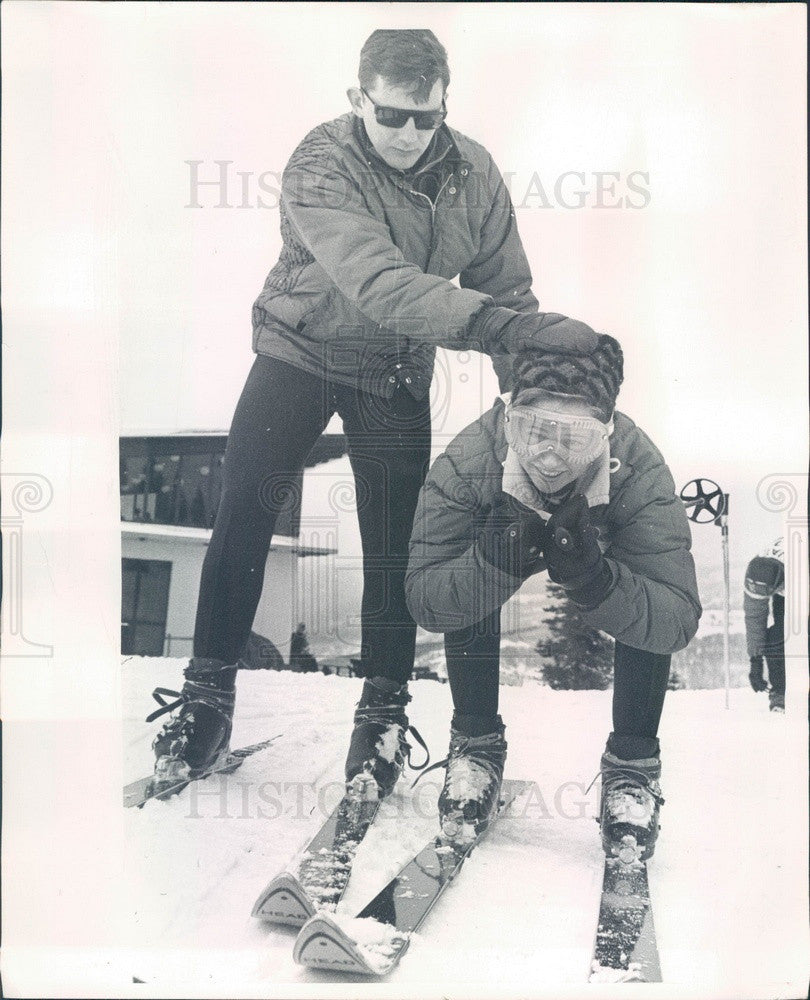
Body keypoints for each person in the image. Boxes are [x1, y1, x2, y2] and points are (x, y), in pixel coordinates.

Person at [146, 29, 598, 792]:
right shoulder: (321, 161)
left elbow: (509, 291)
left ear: (444, 105)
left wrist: (537, 396)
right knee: (245, 511)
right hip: (299, 350)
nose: (410, 134)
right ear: (360, 100)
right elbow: (378, 280)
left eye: (426, 117)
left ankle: (384, 714)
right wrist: (492, 324)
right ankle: (208, 696)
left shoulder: (474, 174)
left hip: (391, 369)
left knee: (398, 544)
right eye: (392, 116)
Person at [404, 335, 702, 862]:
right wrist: (489, 565)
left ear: (608, 432)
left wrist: (598, 583)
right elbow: (426, 598)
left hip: (605, 543)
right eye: (534, 430)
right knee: (469, 575)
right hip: (495, 528)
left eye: (577, 439)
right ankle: (475, 747)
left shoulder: (637, 469)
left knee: (644, 596)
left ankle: (632, 770)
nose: (550, 459)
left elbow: (675, 616)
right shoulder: (472, 460)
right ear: (508, 417)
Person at [743, 539, 785, 713]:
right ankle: (780, 692)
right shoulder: (756, 575)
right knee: (775, 638)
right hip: (782, 590)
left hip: (797, 587)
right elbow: (755, 620)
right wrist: (756, 660)